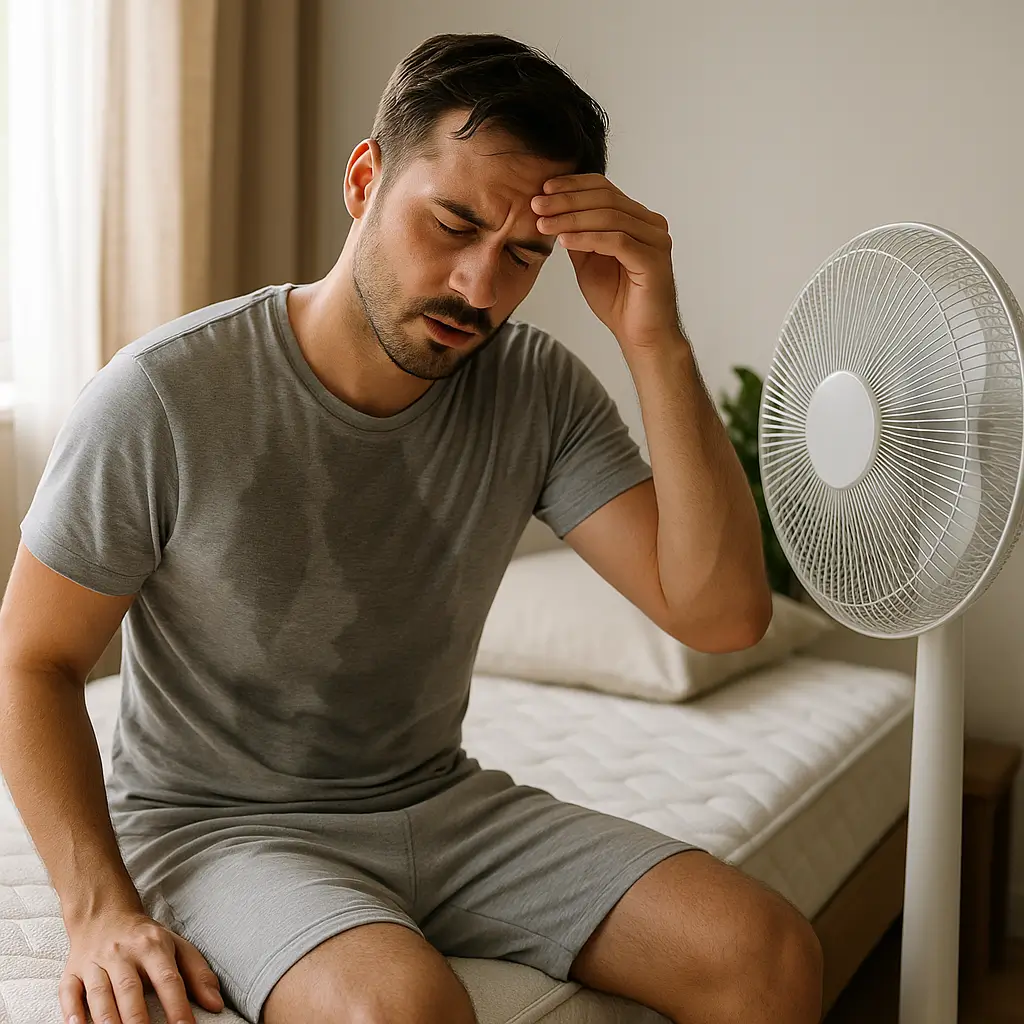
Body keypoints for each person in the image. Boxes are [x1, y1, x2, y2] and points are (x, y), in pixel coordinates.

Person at [0, 31, 822, 1024]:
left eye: (523, 254)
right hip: (220, 827)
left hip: (443, 802)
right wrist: (96, 910)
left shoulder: (534, 389)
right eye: (451, 224)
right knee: (398, 1008)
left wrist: (654, 336)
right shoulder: (164, 393)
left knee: (766, 952)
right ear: (363, 179)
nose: (479, 286)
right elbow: (31, 658)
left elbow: (722, 613)